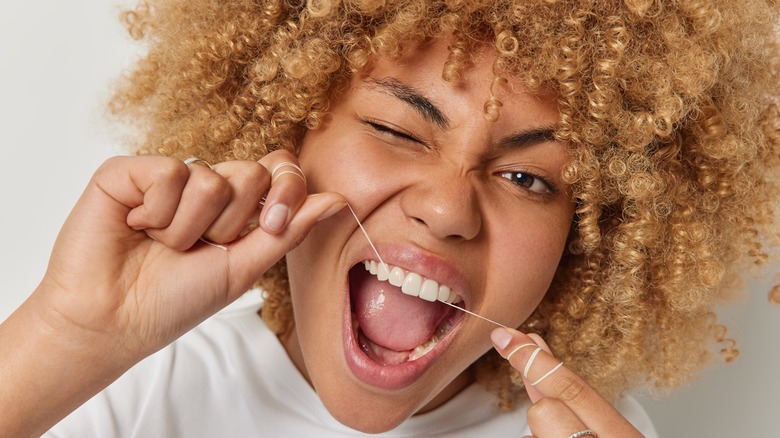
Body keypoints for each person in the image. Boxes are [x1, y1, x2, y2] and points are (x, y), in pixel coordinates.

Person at [1, 0, 778, 436]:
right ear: (288, 134)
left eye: (525, 177)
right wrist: (65, 338)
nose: (446, 209)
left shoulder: (583, 430)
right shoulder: (130, 381)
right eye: (398, 130)